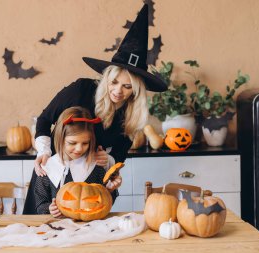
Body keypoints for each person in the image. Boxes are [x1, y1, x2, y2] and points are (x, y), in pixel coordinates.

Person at [23, 4, 167, 214]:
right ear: (107, 77)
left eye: (127, 87)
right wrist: (44, 152)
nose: (118, 91)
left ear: (136, 91)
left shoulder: (130, 117)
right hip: (55, 172)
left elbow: (118, 158)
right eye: (114, 82)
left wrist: (109, 162)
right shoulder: (81, 90)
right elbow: (45, 119)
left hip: (91, 182)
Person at [34, 106, 119, 216]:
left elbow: (105, 203)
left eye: (85, 143)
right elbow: (40, 204)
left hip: (90, 228)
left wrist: (110, 190)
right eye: (72, 143)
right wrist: (49, 209)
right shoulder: (48, 168)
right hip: (59, 229)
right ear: (60, 139)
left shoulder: (96, 167)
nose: (79, 149)